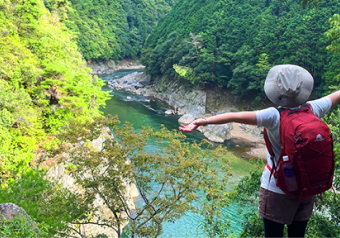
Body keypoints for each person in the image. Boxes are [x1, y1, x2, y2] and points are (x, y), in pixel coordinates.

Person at [179, 64, 340, 237]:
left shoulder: (273, 116)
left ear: (276, 92)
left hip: (278, 187)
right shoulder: (313, 109)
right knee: (297, 234)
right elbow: (337, 95)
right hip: (307, 185)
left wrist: (203, 121)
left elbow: (235, 115)